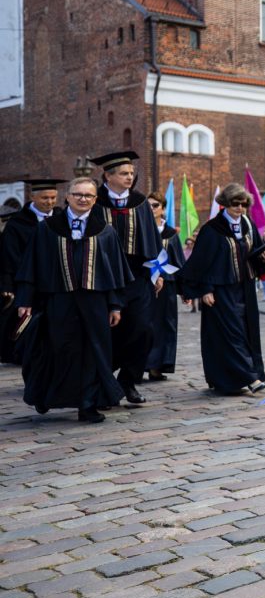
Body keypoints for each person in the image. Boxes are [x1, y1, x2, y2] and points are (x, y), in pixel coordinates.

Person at [15, 177, 133, 422]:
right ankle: (46, 396)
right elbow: (31, 266)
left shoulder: (105, 231)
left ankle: (87, 405)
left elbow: (114, 273)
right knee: (57, 349)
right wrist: (25, 300)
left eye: (88, 196)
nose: (83, 199)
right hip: (58, 299)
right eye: (78, 194)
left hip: (95, 301)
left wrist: (114, 305)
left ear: (95, 200)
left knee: (94, 351)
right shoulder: (47, 229)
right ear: (67, 197)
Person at [179, 183, 265, 395]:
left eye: (243, 204)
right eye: (235, 204)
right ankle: (251, 378)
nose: (240, 208)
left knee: (247, 330)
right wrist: (205, 289)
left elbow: (257, 254)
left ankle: (232, 379)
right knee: (232, 334)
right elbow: (201, 262)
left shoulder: (248, 225)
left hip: (246, 288)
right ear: (224, 204)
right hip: (221, 290)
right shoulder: (211, 229)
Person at [90, 150, 162, 406]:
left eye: (131, 173)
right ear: (108, 176)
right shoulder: (93, 203)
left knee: (143, 329)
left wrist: (155, 272)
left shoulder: (141, 203)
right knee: (108, 332)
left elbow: (152, 241)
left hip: (136, 276)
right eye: (123, 173)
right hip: (104, 278)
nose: (129, 177)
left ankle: (128, 381)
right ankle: (103, 382)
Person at [0, 179, 63, 364]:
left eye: (53, 197)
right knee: (28, 324)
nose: (50, 202)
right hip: (27, 283)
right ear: (32, 196)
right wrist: (8, 286)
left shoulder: (62, 218)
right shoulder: (17, 224)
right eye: (44, 197)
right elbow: (9, 258)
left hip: (57, 283)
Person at [145, 192, 185, 381]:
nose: (152, 209)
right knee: (144, 325)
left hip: (167, 286)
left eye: (155, 205)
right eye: (149, 205)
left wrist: (185, 288)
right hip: (145, 284)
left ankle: (158, 366)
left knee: (164, 326)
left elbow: (179, 261)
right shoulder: (140, 230)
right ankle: (140, 364)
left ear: (162, 208)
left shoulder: (170, 234)